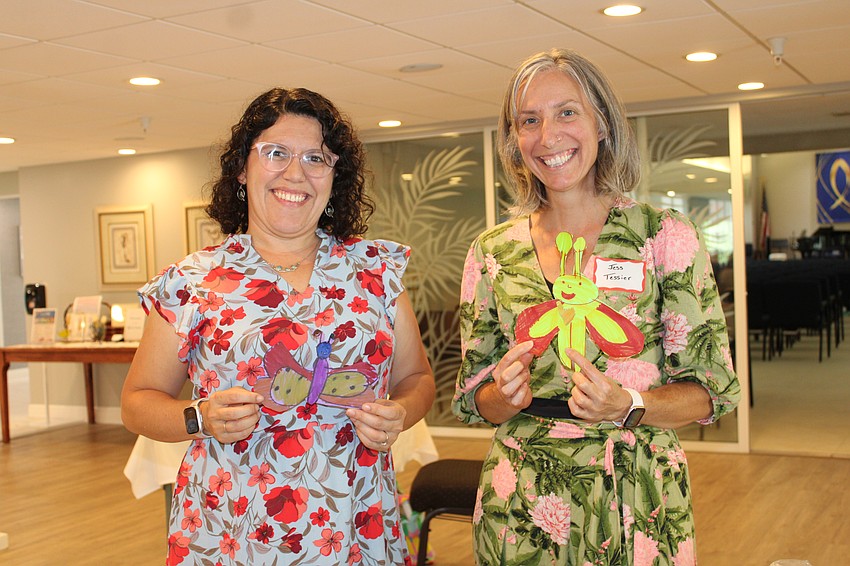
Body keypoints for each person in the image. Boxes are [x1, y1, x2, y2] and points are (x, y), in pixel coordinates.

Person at [122, 87, 435, 565]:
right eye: (275, 153)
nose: (295, 173)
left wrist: (402, 412)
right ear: (242, 169)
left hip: (356, 524)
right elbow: (137, 402)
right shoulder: (192, 282)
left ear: (335, 175)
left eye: (316, 157)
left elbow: (417, 379)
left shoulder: (376, 272)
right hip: (231, 530)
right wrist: (199, 418)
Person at [452, 49, 740, 565]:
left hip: (634, 491)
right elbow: (476, 398)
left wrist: (629, 404)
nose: (548, 136)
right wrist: (504, 395)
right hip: (521, 498)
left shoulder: (663, 237)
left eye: (567, 112)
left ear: (602, 123)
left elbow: (711, 392)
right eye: (529, 121)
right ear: (514, 140)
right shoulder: (492, 253)